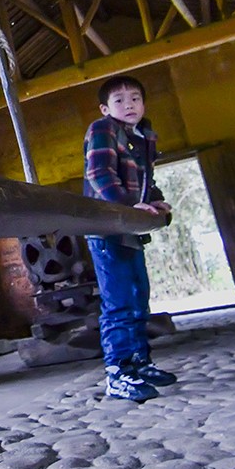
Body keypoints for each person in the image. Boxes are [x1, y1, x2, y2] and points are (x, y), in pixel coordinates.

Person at [83, 75, 177, 401]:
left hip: (130, 229)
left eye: (135, 98)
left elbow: (144, 179)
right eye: (119, 100)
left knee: (139, 296)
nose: (129, 105)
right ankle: (117, 372)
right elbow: (99, 174)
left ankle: (140, 361)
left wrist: (155, 199)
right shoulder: (102, 129)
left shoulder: (143, 135)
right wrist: (126, 206)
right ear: (105, 108)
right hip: (107, 229)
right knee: (119, 302)